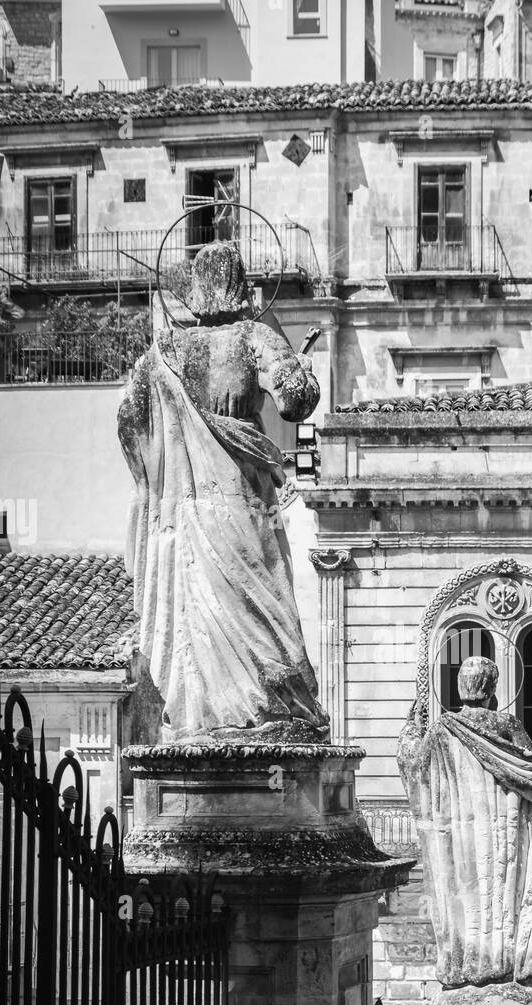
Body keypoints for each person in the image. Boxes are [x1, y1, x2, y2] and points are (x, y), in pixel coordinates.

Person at [118, 241, 328, 741]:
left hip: (185, 507)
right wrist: (302, 368)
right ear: (240, 286)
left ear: (195, 289)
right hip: (241, 496)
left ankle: (206, 715)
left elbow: (129, 423)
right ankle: (270, 708)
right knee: (263, 597)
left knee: (199, 604)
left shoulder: (162, 353)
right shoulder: (252, 337)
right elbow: (296, 403)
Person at [398, 655, 532, 993]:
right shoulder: (507, 726)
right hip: (502, 833)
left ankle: (466, 965)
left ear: (460, 688)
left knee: (465, 895)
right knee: (500, 894)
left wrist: (411, 727)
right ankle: (501, 967)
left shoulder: (442, 730)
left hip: (461, 836)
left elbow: (414, 767)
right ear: (491, 689)